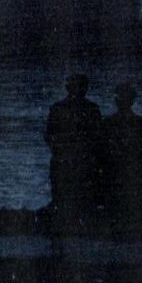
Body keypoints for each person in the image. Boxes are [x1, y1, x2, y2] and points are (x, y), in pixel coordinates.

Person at [45, 73, 103, 227]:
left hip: (65, 162)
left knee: (63, 200)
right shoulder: (92, 109)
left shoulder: (58, 108)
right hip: (80, 163)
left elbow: (49, 137)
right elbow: (98, 139)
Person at [101, 82, 142, 237]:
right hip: (132, 169)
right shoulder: (140, 122)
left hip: (114, 169)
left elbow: (102, 149)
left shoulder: (108, 122)